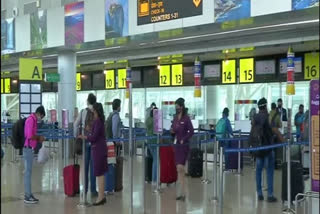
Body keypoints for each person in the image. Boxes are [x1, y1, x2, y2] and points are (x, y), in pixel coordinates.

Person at [79, 103, 107, 206]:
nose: (92, 113)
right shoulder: (99, 122)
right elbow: (96, 134)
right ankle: (101, 196)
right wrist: (89, 131)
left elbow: (94, 137)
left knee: (99, 173)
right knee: (101, 173)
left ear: (96, 111)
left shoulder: (97, 122)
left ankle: (100, 197)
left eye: (93, 111)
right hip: (100, 149)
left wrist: (84, 137)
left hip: (98, 150)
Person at [252, 98, 277, 202]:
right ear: (266, 106)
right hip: (268, 148)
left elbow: (252, 132)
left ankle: (259, 193)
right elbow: (274, 130)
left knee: (258, 171)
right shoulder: (269, 117)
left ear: (258, 107)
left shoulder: (255, 118)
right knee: (269, 171)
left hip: (258, 149)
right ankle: (270, 195)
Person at [73, 93, 97, 196]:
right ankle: (93, 190)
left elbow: (75, 124)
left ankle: (85, 189)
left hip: (84, 140)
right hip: (94, 141)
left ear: (88, 101)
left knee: (85, 166)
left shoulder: (83, 112)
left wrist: (76, 136)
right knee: (93, 166)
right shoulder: (96, 112)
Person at [171, 98, 194, 201]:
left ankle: (184, 193)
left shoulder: (186, 118)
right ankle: (181, 193)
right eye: (175, 107)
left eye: (178, 106)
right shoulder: (175, 118)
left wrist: (184, 139)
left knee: (181, 168)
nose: (177, 108)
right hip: (176, 146)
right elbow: (173, 129)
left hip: (183, 146)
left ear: (181, 106)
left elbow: (191, 131)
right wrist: (171, 131)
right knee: (178, 169)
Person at [23, 106, 46, 204]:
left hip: (30, 149)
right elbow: (29, 136)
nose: (41, 118)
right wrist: (39, 138)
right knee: (28, 173)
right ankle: (27, 196)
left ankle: (29, 193)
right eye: (41, 116)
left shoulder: (33, 120)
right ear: (39, 113)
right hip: (27, 148)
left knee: (29, 172)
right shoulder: (31, 120)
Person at [145, 107, 158, 186]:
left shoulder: (148, 120)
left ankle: (149, 177)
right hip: (155, 142)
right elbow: (158, 132)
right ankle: (154, 179)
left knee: (152, 160)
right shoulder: (156, 120)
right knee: (156, 161)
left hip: (149, 141)